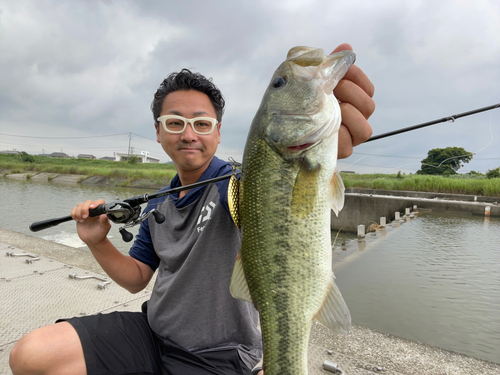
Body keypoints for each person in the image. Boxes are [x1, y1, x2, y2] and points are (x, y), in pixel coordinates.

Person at [9, 43, 375, 375]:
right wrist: (97, 242)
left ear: (218, 132)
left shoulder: (238, 183)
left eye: (201, 124)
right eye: (175, 123)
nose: (188, 134)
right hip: (152, 334)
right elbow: (137, 278)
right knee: (30, 355)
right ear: (158, 131)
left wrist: (331, 142)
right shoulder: (158, 203)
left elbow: (278, 191)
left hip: (221, 356)